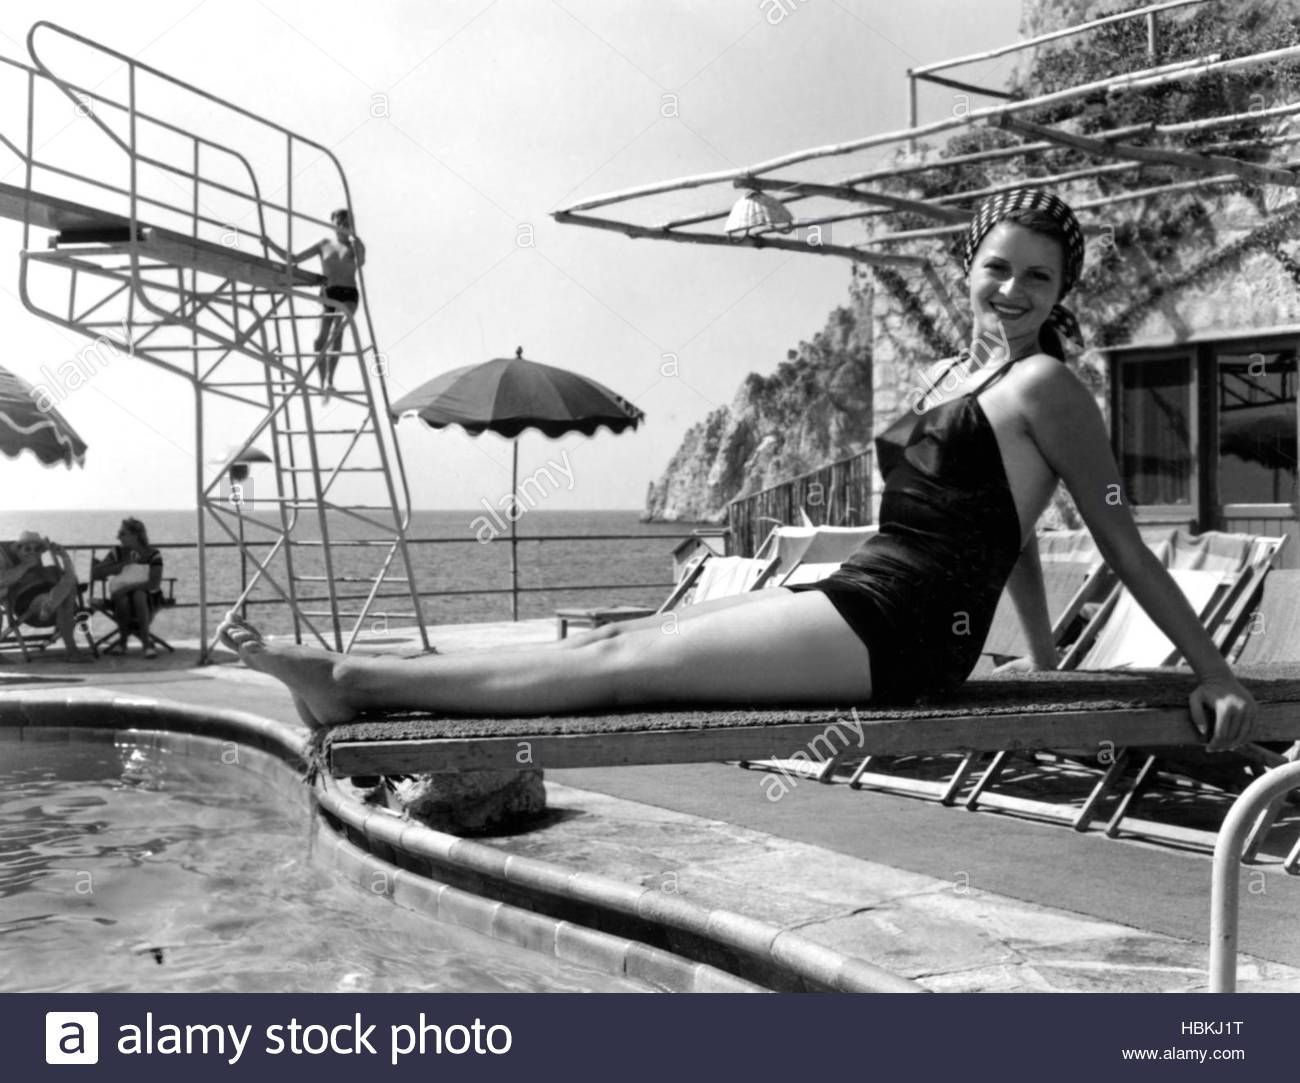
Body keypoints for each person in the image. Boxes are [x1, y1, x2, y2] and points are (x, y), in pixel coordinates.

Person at [218, 189, 1257, 752]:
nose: (1013, 289)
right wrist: (1041, 654)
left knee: (622, 670)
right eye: (997, 266)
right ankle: (362, 682)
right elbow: (1011, 531)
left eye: (1039, 276)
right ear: (968, 266)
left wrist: (1210, 670)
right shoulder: (949, 373)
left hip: (904, 631)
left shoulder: (1048, 386)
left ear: (1063, 289)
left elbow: (1121, 544)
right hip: (869, 589)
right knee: (624, 636)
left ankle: (352, 683)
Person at [265, 208, 366, 392]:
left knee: (338, 328)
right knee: (319, 340)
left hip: (348, 293)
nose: (344, 226)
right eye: (340, 223)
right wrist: (270, 244)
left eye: (347, 223)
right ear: (333, 225)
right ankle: (322, 382)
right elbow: (294, 258)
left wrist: (356, 243)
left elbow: (360, 262)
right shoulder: (324, 244)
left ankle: (330, 380)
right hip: (329, 292)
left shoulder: (355, 246)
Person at [0, 530, 90, 661]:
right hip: (27, 605)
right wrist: (25, 565)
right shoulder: (12, 567)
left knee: (65, 588)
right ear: (18, 549)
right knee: (64, 598)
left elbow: (72, 579)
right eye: (27, 549)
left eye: (36, 549)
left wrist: (64, 556)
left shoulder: (47, 570)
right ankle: (72, 652)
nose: (32, 552)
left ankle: (51, 601)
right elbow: (2, 581)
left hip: (49, 609)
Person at [92, 518, 164, 658]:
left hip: (149, 596)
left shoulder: (152, 554)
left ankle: (141, 642)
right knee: (124, 598)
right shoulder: (117, 553)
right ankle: (127, 642)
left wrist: (127, 588)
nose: (118, 537)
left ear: (135, 535)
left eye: (122, 533)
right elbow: (96, 573)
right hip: (121, 597)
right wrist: (123, 564)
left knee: (138, 595)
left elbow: (154, 583)